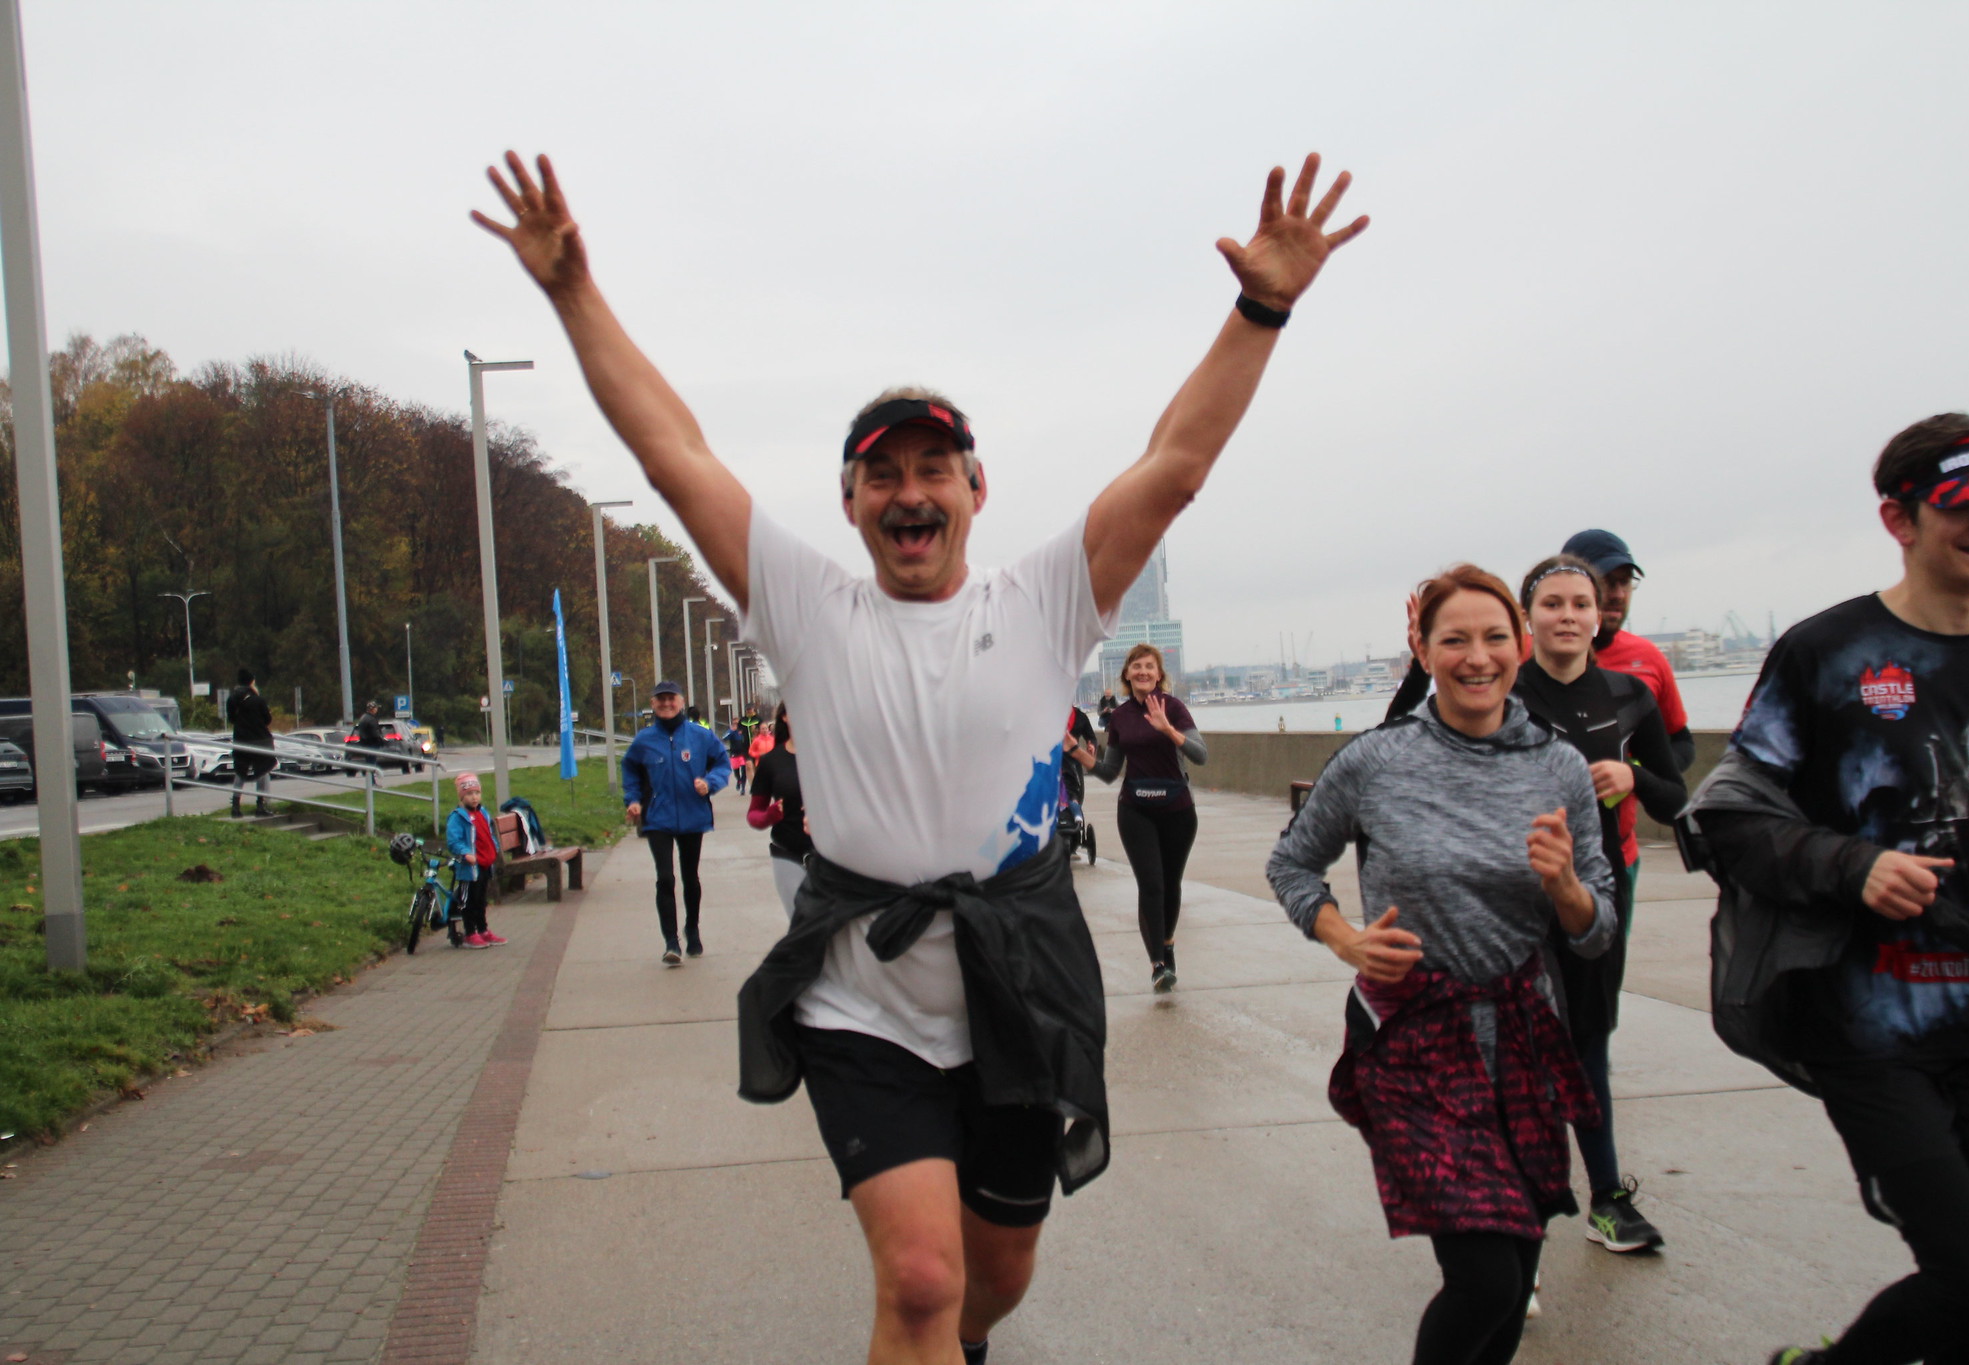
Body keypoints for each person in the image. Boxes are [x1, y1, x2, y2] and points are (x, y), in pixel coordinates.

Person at [476, 146, 1367, 1365]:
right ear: (848, 504)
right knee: (917, 1278)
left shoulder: (1046, 599)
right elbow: (673, 457)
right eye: (880, 474)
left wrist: (1261, 306)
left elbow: (1173, 468)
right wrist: (573, 292)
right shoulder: (805, 607)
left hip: (1017, 982)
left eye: (930, 468)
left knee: (994, 1273)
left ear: (974, 488)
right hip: (863, 993)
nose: (908, 491)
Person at [1682, 415, 1969, 1365]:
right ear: (1899, 518)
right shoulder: (1827, 653)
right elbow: (1725, 818)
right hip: (1867, 1015)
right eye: (1964, 507)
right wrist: (1854, 865)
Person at [1267, 564, 1616, 1365]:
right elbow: (1291, 864)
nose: (1477, 656)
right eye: (1453, 638)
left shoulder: (1558, 766)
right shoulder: (1376, 761)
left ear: (1522, 646)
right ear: (1422, 649)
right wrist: (1344, 937)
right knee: (1487, 1281)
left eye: (1495, 637)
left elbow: (1597, 929)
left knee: (1521, 1256)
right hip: (1412, 1036)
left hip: (1524, 1034)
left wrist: (1565, 887)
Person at [1515, 554, 1689, 1254]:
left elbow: (1676, 798)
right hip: (1509, 894)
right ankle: (1518, 1214)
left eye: (1578, 604)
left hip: (1595, 891)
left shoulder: (1628, 694)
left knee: (1588, 1040)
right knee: (1515, 1045)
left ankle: (1608, 1197)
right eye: (1551, 603)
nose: (1566, 616)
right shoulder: (1501, 689)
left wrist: (1633, 773)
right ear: (1528, 616)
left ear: (1598, 615)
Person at [1560, 529, 1696, 879]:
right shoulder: (1521, 659)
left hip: (1618, 855)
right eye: (1607, 582)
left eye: (1625, 582)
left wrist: (1634, 770)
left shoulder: (1647, 659)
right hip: (1539, 858)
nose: (1618, 594)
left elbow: (1681, 742)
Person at [1094, 643, 1208, 991]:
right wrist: (1082, 758)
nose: (1143, 672)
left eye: (1150, 667)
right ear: (1127, 674)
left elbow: (1200, 755)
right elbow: (1111, 771)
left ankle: (1168, 944)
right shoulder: (1120, 716)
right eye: (1136, 666)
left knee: (1170, 884)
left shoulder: (1174, 708)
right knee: (1151, 884)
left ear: (1159, 675)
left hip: (1177, 811)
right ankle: (1158, 964)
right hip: (1135, 810)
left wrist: (1168, 730)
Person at [622, 681, 730, 962]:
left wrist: (710, 783)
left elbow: (722, 763)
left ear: (681, 702)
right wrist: (633, 800)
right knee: (665, 878)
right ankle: (671, 942)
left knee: (690, 877)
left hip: (693, 815)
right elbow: (631, 770)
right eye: (660, 700)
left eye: (671, 699)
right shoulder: (644, 740)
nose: (666, 704)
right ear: (653, 703)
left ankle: (692, 929)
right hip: (658, 816)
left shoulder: (700, 736)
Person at [748, 703, 812, 918]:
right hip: (787, 853)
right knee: (799, 921)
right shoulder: (771, 761)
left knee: (829, 924)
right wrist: (770, 814)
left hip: (827, 855)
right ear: (785, 717)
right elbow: (754, 815)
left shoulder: (829, 756)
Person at [444, 772, 503, 948]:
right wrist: (465, 853)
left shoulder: (483, 813)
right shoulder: (458, 817)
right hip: (469, 868)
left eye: (476, 793)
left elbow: (488, 834)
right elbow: (454, 841)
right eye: (469, 794)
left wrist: (494, 848)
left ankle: (483, 930)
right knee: (468, 901)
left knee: (481, 900)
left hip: (484, 864)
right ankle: (470, 932)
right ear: (462, 797)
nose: (474, 797)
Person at [224, 668, 276, 818]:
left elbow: (232, 719)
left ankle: (235, 807)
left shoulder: (232, 699)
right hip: (259, 740)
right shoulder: (257, 700)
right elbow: (267, 720)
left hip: (241, 741)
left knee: (240, 772)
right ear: (251, 682)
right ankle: (260, 805)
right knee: (263, 770)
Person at [723, 717, 750, 795]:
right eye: (734, 723)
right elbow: (724, 738)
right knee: (736, 771)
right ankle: (739, 780)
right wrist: (731, 730)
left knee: (744, 770)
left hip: (743, 753)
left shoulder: (742, 731)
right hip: (734, 753)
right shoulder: (731, 732)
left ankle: (743, 788)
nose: (736, 725)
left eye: (737, 723)